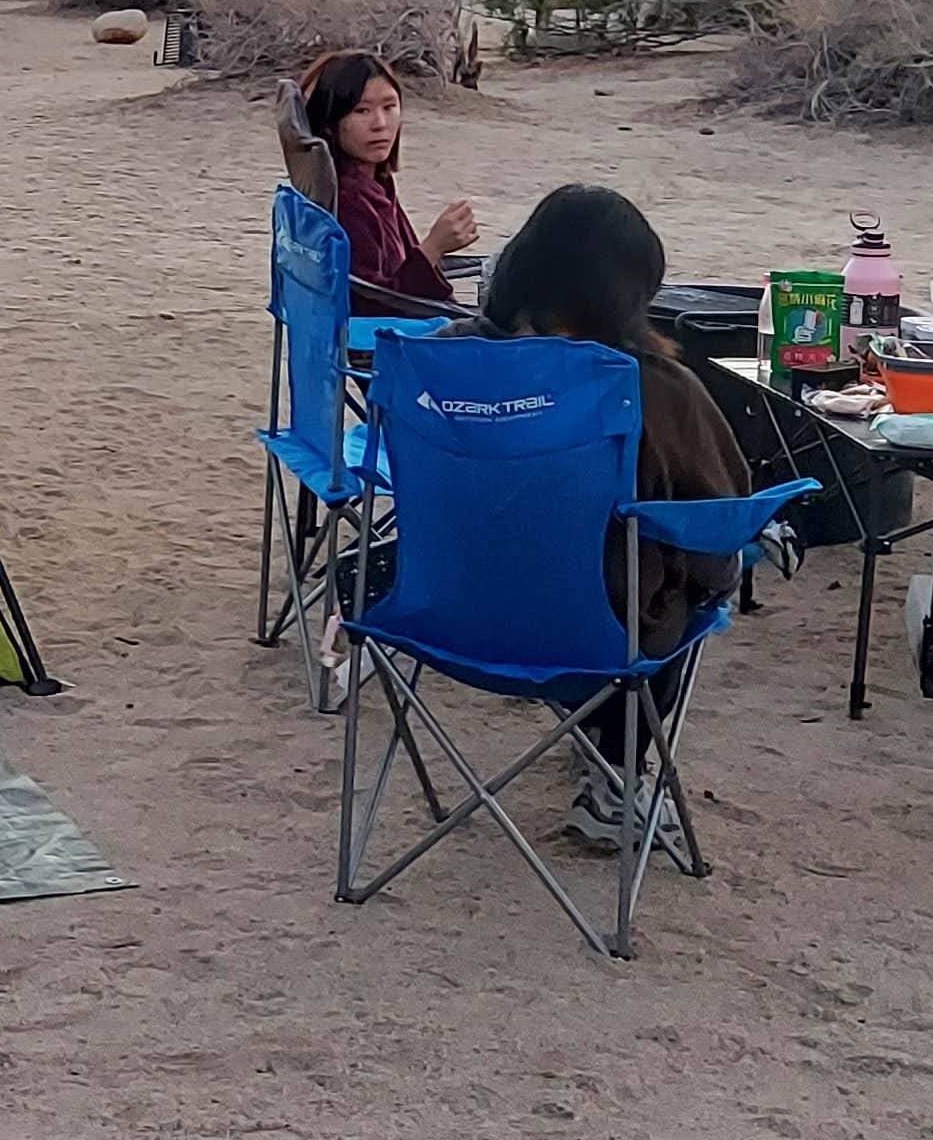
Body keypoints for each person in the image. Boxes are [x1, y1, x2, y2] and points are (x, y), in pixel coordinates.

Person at [448, 184, 753, 844]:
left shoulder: (449, 358)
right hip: (595, 632)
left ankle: (591, 740)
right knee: (694, 576)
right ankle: (615, 778)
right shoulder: (649, 385)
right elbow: (723, 509)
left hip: (450, 611)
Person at [298, 50, 473, 314]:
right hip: (387, 343)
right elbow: (376, 304)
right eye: (362, 110)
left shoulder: (375, 181)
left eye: (389, 107)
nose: (380, 124)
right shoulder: (349, 200)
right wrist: (434, 247)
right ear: (330, 123)